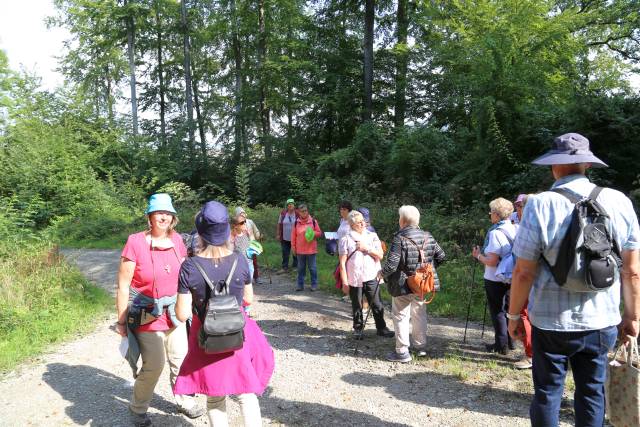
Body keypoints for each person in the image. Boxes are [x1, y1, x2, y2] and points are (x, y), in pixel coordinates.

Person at [507, 132, 640, 427]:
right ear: (587, 165)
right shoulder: (619, 202)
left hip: (549, 322)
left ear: (554, 166)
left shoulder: (539, 205)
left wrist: (514, 316)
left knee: (547, 392)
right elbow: (631, 270)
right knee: (592, 392)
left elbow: (523, 271)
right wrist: (632, 317)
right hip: (601, 319)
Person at [174, 201, 275, 427]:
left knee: (215, 394)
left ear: (200, 233)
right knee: (245, 393)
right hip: (237, 333)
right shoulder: (239, 260)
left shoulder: (189, 267)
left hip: (206, 337)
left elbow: (181, 314)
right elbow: (248, 299)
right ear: (227, 230)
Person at [116, 193, 204, 427]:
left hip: (174, 313)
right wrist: (122, 321)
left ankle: (183, 399)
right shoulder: (135, 242)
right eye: (159, 212)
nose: (163, 217)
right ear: (150, 216)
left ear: (173, 217)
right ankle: (137, 408)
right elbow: (124, 285)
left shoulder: (177, 241)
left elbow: (187, 276)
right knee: (154, 365)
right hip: (147, 315)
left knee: (181, 359)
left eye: (167, 212)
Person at [381, 205, 446, 362]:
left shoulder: (400, 238)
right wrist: (428, 269)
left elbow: (392, 264)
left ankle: (402, 352)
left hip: (403, 284)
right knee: (419, 314)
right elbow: (441, 256)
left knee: (401, 316)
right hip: (422, 284)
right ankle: (420, 347)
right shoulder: (428, 236)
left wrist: (381, 274)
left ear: (402, 220)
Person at [339, 210, 395, 340]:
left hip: (371, 275)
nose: (363, 224)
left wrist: (367, 248)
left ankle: (381, 328)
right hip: (354, 278)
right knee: (356, 305)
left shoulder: (372, 236)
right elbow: (342, 263)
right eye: (359, 222)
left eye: (363, 221)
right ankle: (358, 329)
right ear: (352, 225)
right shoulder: (345, 239)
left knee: (377, 303)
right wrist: (345, 282)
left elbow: (380, 256)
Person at [472, 197, 517, 355]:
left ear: (497, 215)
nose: (489, 215)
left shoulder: (496, 233)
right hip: (511, 276)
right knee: (509, 310)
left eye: (491, 212)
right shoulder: (514, 228)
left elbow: (491, 261)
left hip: (495, 277)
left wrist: (478, 256)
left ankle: (501, 345)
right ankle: (511, 342)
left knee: (498, 311)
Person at [291, 203, 322, 291]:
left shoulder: (313, 221)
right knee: (300, 268)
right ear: (299, 212)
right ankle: (300, 285)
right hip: (300, 250)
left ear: (307, 211)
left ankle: (314, 285)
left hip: (311, 250)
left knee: (312, 268)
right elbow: (293, 236)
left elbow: (319, 233)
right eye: (302, 211)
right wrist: (293, 247)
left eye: (305, 210)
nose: (304, 212)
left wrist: (312, 233)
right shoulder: (296, 222)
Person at [235, 207, 263, 284]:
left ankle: (256, 277)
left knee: (254, 261)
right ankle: (243, 279)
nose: (243, 215)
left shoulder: (250, 222)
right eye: (241, 214)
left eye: (243, 213)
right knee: (242, 263)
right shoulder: (236, 224)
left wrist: (259, 235)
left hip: (251, 244)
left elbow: (256, 230)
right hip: (241, 245)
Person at [276, 198, 297, 272]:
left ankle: (295, 266)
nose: (290, 205)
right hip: (284, 237)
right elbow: (279, 224)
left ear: (294, 205)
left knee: (295, 252)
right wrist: (278, 234)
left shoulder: (297, 213)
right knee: (285, 252)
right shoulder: (283, 213)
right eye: (289, 204)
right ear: (287, 206)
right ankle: (285, 267)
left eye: (292, 204)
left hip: (296, 238)